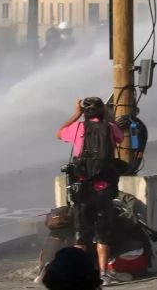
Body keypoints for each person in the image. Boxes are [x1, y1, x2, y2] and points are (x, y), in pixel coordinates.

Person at [56, 98, 124, 284]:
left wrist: (76, 114)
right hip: (104, 189)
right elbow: (120, 138)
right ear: (102, 111)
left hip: (82, 189)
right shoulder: (110, 127)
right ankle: (103, 274)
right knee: (103, 232)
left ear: (84, 112)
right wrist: (107, 116)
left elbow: (59, 133)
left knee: (81, 234)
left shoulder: (77, 128)